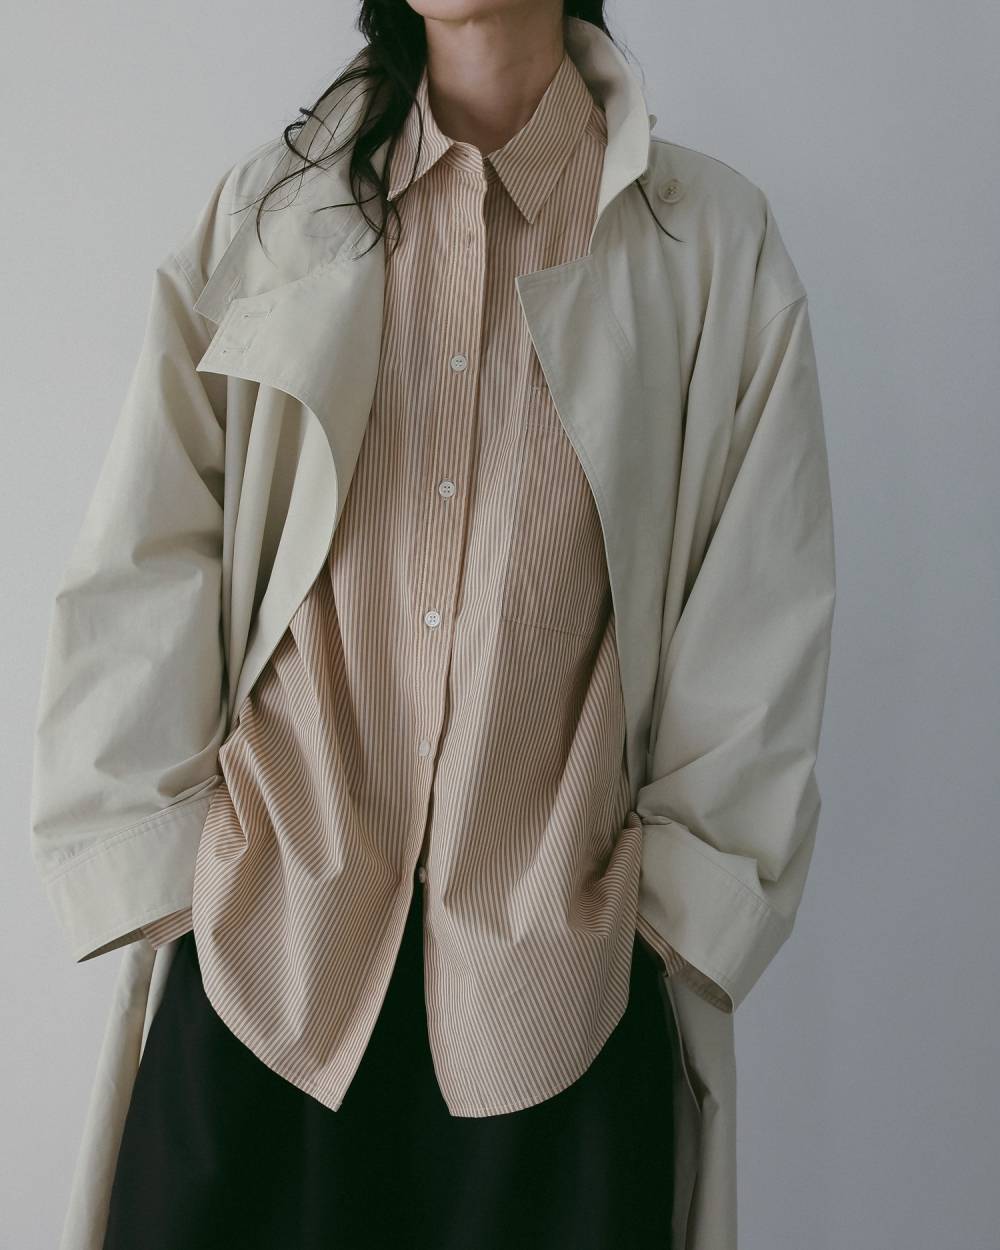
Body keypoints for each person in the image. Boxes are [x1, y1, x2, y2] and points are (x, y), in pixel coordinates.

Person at [31, 3, 836, 1249]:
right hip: (266, 961)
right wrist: (165, 872)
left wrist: (670, 923)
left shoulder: (709, 244)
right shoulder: (268, 215)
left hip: (560, 995)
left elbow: (760, 606)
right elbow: (148, 548)